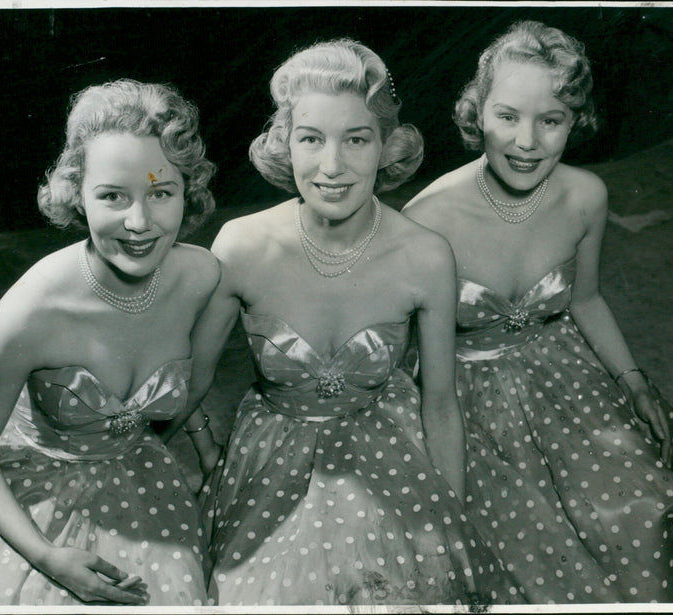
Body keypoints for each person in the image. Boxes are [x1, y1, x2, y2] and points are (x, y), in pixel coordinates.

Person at [187, 38, 524, 607]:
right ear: (283, 144)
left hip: (387, 447)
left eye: (357, 139)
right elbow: (188, 384)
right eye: (311, 139)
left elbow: (440, 403)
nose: (332, 166)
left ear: (387, 146)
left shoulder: (426, 255)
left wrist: (453, 523)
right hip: (270, 454)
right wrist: (205, 456)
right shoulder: (240, 246)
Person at [403, 21, 673, 603]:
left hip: (564, 375)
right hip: (463, 399)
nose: (527, 141)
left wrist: (634, 384)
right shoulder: (426, 218)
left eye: (550, 120)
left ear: (574, 123)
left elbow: (584, 298)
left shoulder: (586, 196)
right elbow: (408, 355)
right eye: (507, 116)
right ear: (476, 112)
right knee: (517, 558)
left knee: (650, 509)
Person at [0, 79, 221, 606]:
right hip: (26, 499)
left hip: (142, 485)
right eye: (112, 196)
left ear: (186, 192)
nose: (140, 223)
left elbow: (184, 380)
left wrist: (206, 444)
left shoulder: (203, 278)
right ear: (76, 194)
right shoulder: (30, 311)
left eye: (160, 192)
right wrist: (47, 557)